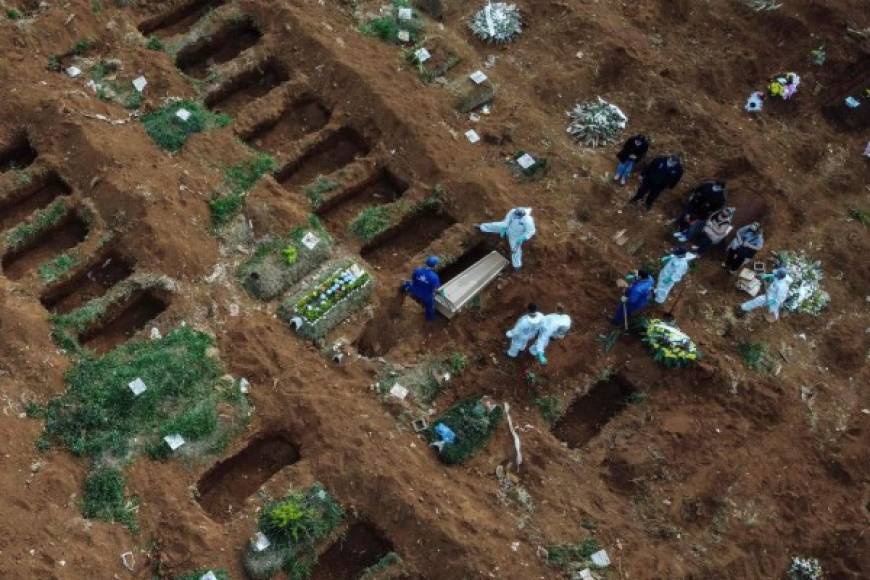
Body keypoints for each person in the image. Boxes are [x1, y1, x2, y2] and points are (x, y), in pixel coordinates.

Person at [401, 256, 441, 321]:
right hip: (426, 296)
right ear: (435, 266)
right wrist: (437, 292)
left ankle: (402, 290)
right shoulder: (435, 277)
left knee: (406, 284)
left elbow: (413, 279)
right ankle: (430, 319)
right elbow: (435, 288)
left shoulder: (418, 270)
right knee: (430, 307)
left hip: (414, 290)